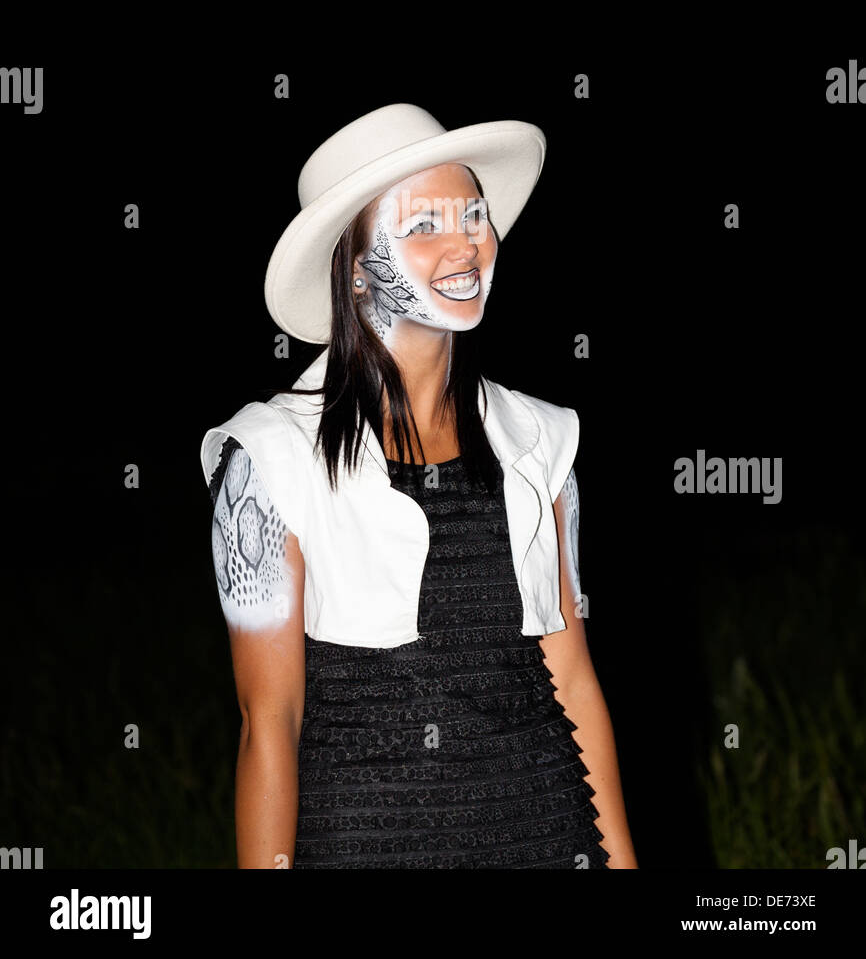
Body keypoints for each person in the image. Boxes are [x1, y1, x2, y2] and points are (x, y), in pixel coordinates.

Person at [201, 103, 638, 869]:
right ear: (360, 268)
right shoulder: (270, 459)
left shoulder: (540, 443)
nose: (466, 242)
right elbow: (268, 723)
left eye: (473, 213)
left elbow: (572, 676)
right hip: (365, 844)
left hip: (545, 835)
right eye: (424, 225)